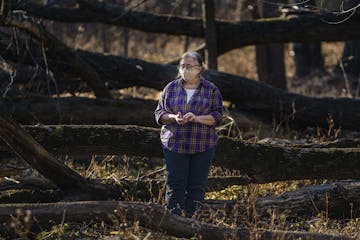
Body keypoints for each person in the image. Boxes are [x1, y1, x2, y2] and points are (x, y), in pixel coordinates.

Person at [154, 51, 223, 218]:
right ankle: (174, 221)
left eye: (190, 66)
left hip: (202, 144)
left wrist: (197, 118)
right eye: (183, 66)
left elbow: (217, 116)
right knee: (175, 184)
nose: (185, 69)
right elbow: (159, 114)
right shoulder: (170, 88)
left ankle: (193, 223)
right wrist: (173, 118)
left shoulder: (211, 90)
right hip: (174, 144)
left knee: (197, 185)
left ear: (200, 68)